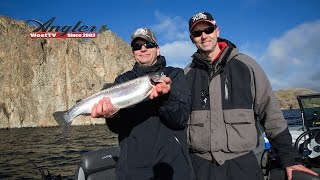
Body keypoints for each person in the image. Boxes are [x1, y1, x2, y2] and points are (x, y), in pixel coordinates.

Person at [184, 11, 318, 180]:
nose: (204, 36)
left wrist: (289, 158)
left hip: (242, 165)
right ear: (192, 38)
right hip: (200, 166)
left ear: (217, 31)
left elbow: (271, 115)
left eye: (208, 30)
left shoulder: (247, 66)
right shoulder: (186, 74)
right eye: (197, 33)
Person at [91, 28, 195, 180]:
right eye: (137, 46)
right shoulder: (123, 80)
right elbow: (117, 128)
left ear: (157, 50)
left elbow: (180, 119)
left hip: (173, 169)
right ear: (133, 53)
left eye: (149, 44)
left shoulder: (175, 75)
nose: (143, 48)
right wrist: (111, 114)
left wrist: (163, 99)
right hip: (132, 171)